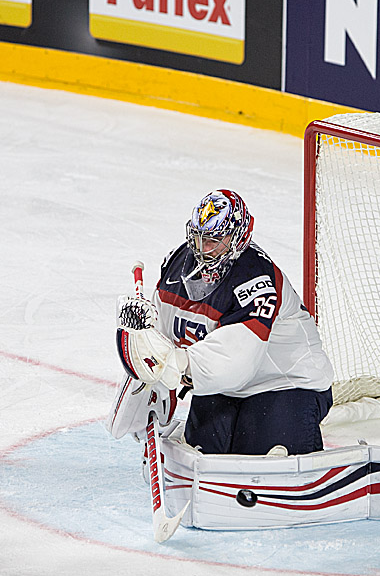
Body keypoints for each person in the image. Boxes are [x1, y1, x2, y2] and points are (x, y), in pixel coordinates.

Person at [116, 189, 334, 456]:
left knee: (265, 466)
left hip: (285, 383)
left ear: (238, 237)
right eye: (199, 239)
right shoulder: (176, 265)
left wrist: (178, 364)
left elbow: (236, 363)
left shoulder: (255, 278)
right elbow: (165, 338)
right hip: (219, 387)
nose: (204, 250)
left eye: (215, 240)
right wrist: (149, 367)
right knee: (198, 460)